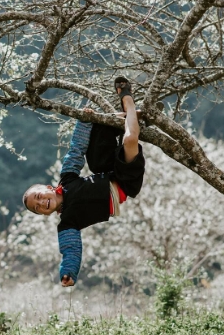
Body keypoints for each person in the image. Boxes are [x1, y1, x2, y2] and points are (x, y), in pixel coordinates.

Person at [22, 77, 145, 287]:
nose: (41, 203)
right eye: (38, 207)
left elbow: (76, 151)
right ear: (43, 214)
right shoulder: (68, 222)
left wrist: (84, 121)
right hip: (125, 182)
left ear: (49, 188)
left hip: (108, 171)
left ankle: (122, 118)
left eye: (39, 197)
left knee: (96, 133)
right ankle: (129, 103)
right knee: (130, 139)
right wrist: (68, 272)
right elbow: (71, 249)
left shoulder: (67, 179)